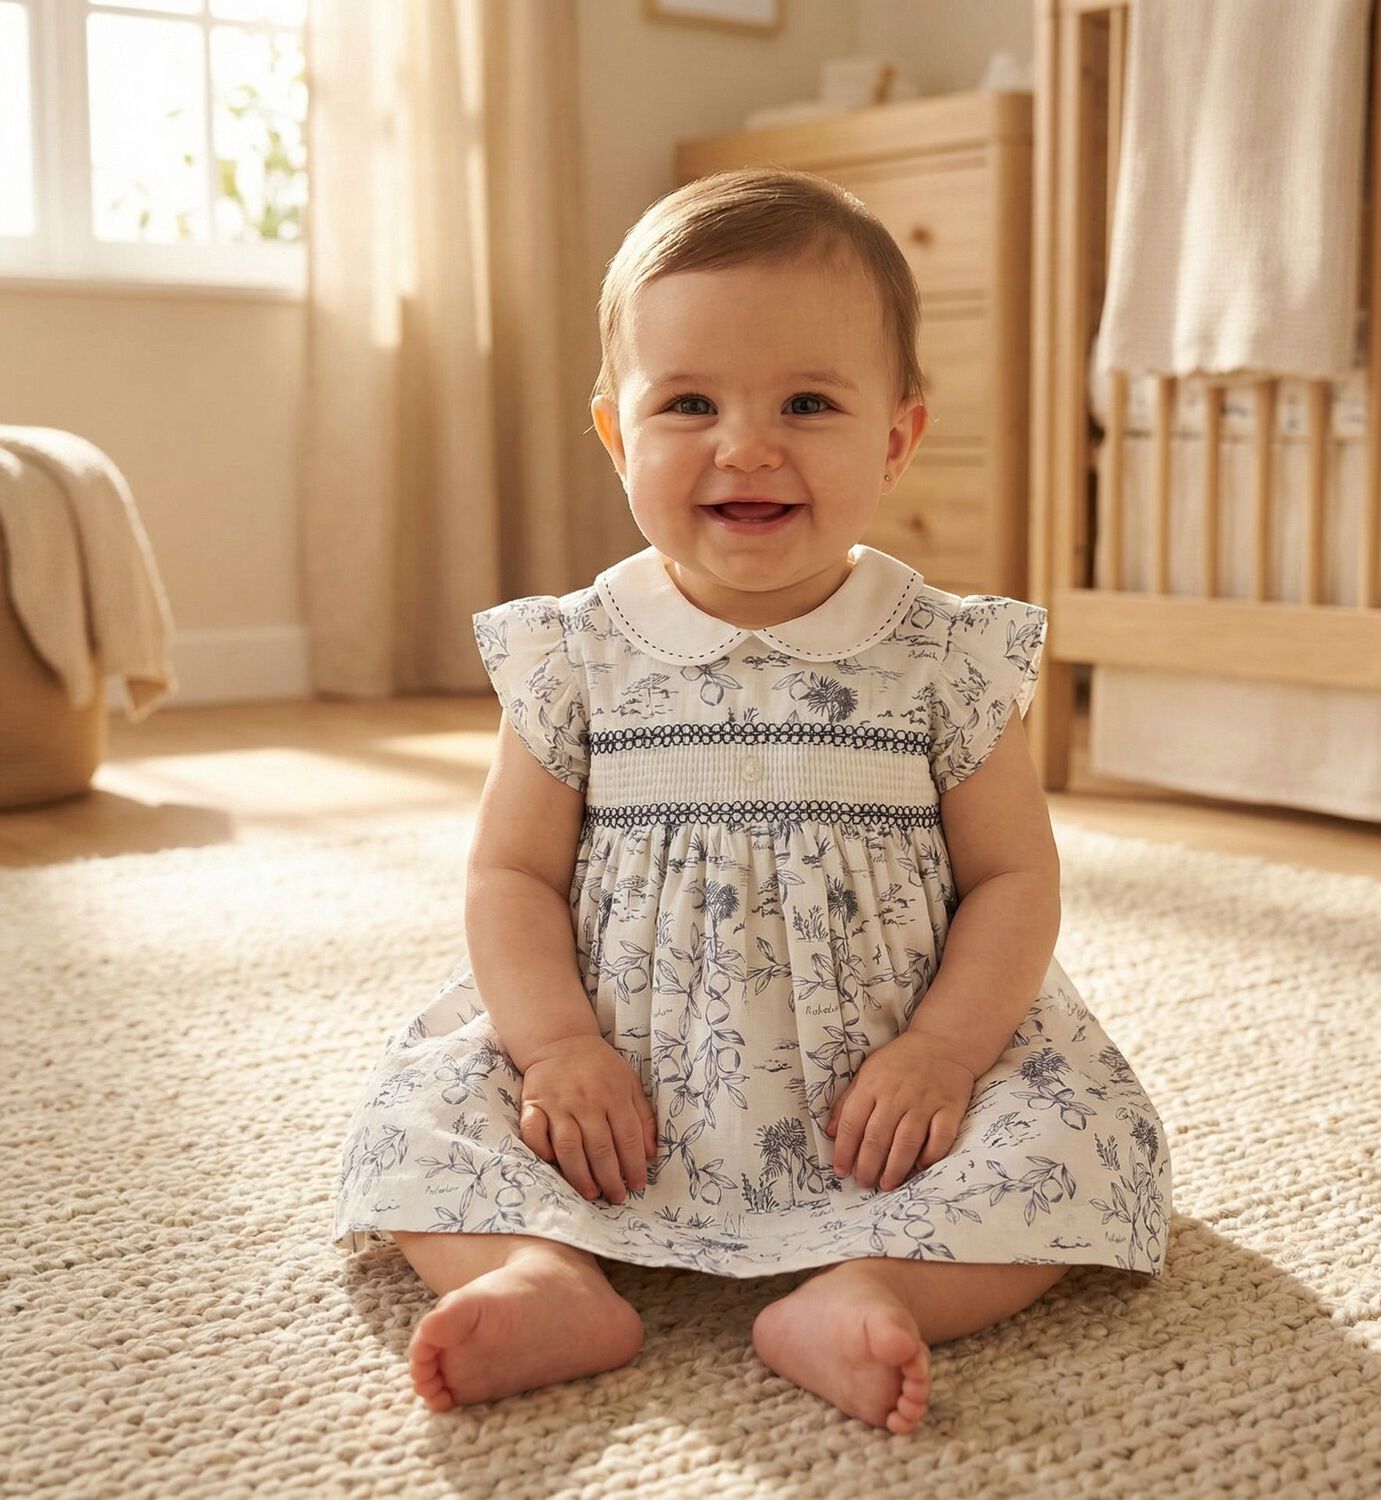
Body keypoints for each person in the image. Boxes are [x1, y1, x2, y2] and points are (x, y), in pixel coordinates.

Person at [332, 167, 1173, 1434]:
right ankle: (542, 1271)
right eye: (689, 404)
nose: (747, 445)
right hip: (613, 1082)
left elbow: (1014, 877)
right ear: (616, 434)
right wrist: (555, 1048)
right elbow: (510, 875)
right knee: (420, 1114)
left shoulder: (945, 655)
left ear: (896, 438)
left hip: (883, 1097)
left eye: (807, 403)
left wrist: (946, 1053)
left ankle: (869, 1285)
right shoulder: (576, 652)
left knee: (1085, 1140)